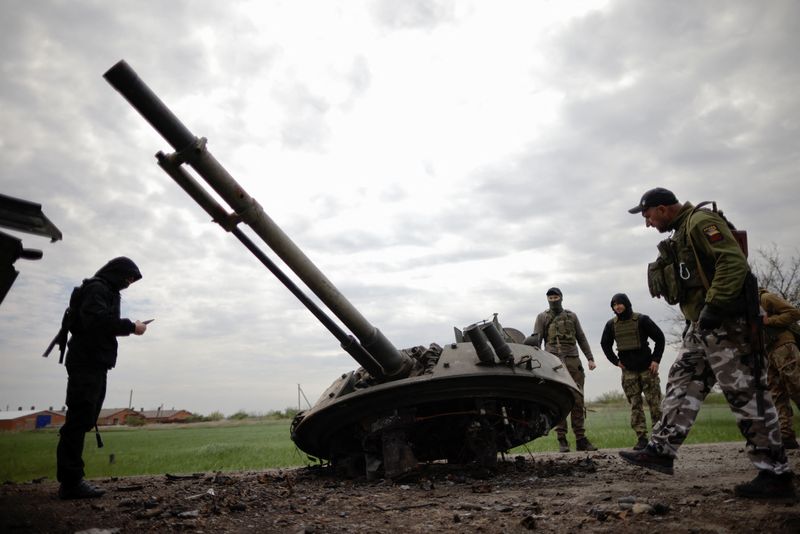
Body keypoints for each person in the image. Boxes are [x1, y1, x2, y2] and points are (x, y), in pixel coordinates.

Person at [620, 187, 793, 499]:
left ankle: (775, 473)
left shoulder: (701, 221)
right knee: (682, 378)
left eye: (648, 216)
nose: (647, 223)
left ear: (662, 209)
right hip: (702, 326)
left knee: (746, 394)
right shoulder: (682, 231)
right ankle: (661, 449)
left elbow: (733, 262)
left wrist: (713, 306)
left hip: (727, 323)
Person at [56, 257, 147, 499]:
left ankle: (71, 481)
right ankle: (70, 482)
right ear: (117, 272)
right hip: (86, 362)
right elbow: (97, 322)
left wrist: (129, 327)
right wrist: (132, 327)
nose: (129, 283)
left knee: (85, 418)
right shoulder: (97, 289)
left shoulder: (104, 290)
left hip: (95, 363)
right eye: (128, 278)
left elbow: (100, 323)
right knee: (78, 420)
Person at [532, 287, 598, 452]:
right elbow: (536, 341)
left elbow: (581, 337)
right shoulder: (542, 317)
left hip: (573, 360)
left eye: (556, 297)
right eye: (550, 298)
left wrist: (590, 358)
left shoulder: (571, 316)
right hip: (553, 362)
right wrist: (538, 363)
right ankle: (562, 439)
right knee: (559, 399)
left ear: (561, 297)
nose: (553, 300)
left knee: (577, 399)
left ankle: (581, 439)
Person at [601, 293, 665, 450]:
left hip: (647, 369)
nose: (617, 307)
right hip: (628, 371)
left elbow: (660, 338)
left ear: (626, 304)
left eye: (619, 303)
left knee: (655, 405)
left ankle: (658, 439)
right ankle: (641, 438)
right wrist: (615, 361)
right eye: (614, 304)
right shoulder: (611, 325)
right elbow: (605, 344)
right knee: (635, 406)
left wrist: (656, 360)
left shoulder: (642, 320)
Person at [759, 287, 800, 450]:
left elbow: (794, 313)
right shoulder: (744, 307)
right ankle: (786, 436)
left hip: (784, 347)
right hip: (768, 353)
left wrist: (769, 321)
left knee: (797, 387)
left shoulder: (765, 298)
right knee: (777, 394)